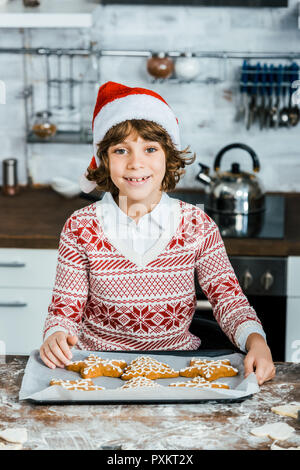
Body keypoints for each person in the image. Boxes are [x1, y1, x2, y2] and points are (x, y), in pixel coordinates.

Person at [40, 81, 275, 385]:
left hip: (177, 372)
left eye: (150, 149)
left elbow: (228, 299)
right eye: (121, 150)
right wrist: (57, 334)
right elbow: (64, 310)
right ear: (104, 159)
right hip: (98, 372)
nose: (136, 163)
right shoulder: (80, 227)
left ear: (169, 156)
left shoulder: (197, 225)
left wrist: (257, 342)